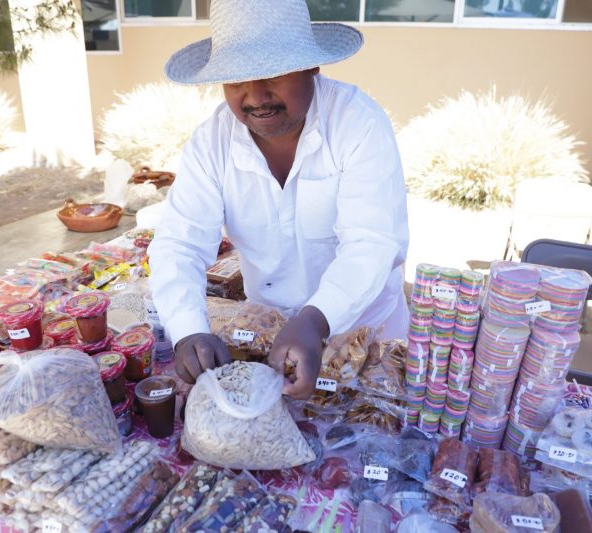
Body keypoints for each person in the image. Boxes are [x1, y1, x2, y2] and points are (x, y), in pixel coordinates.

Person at [148, 0, 409, 400]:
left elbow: (372, 242)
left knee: (367, 427)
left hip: (365, 339)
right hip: (266, 336)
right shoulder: (211, 143)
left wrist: (315, 320)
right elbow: (179, 243)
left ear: (311, 66)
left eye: (272, 73)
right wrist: (188, 330)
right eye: (236, 80)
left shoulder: (358, 123)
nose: (256, 97)